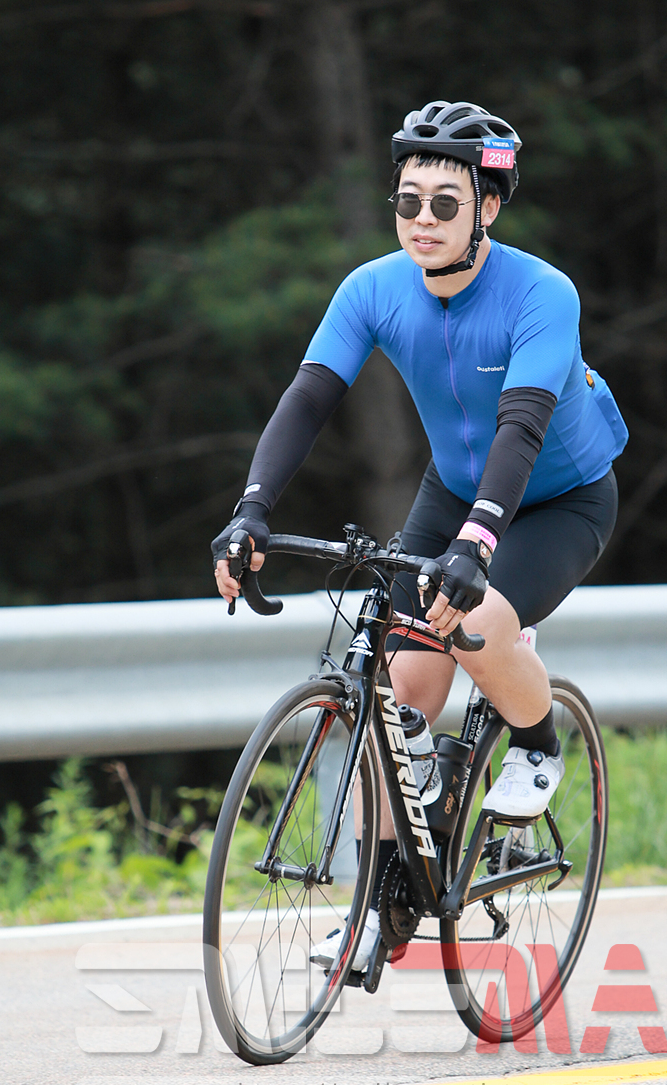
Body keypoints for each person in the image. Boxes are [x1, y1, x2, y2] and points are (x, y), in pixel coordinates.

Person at [212, 100, 627, 970]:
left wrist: (478, 545)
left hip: (558, 497)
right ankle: (380, 905)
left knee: (478, 624)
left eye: (446, 202)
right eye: (408, 201)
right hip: (454, 489)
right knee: (395, 702)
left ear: (489, 208)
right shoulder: (372, 289)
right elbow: (309, 398)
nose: (423, 220)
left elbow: (521, 426)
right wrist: (251, 509)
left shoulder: (542, 292)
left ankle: (537, 743)